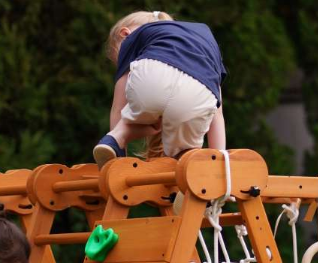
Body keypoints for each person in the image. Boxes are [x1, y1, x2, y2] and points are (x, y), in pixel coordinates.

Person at [94, 10, 227, 166]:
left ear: (124, 34)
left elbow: (118, 107)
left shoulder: (132, 38)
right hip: (198, 92)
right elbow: (217, 115)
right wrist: (220, 162)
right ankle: (184, 169)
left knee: (126, 123)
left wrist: (118, 154)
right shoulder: (203, 44)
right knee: (186, 154)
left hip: (151, 81)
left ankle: (115, 139)